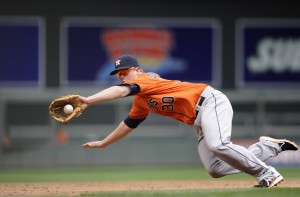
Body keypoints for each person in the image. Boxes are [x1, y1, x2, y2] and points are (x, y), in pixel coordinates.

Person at [79, 54, 299, 188]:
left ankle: (268, 174)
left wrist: (88, 100)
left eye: (124, 72)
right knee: (215, 168)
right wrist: (104, 143)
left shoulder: (147, 80)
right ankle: (268, 147)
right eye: (119, 74)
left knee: (218, 144)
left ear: (137, 70)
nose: (122, 77)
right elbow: (129, 123)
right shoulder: (141, 101)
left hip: (210, 101)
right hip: (200, 118)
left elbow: (119, 93)